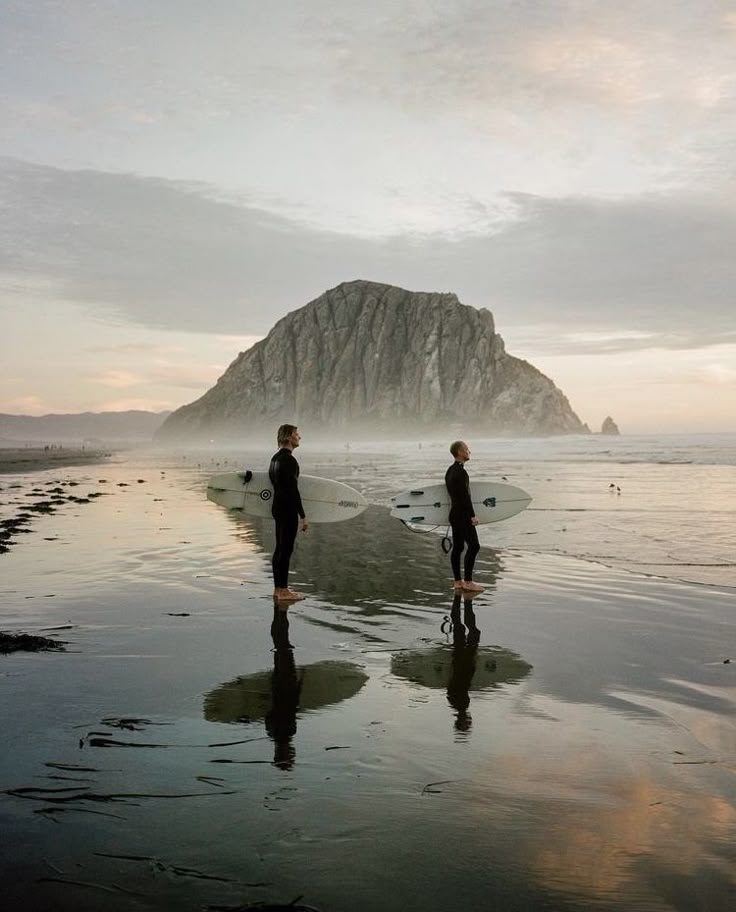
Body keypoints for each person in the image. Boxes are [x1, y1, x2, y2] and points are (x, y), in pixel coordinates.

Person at [269, 424, 309, 601]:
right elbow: (293, 490)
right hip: (288, 509)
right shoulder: (290, 460)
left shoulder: (275, 459)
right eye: (296, 434)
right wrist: (303, 515)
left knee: (279, 549)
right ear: (288, 437)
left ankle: (278, 589)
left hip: (277, 508)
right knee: (286, 550)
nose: (299, 437)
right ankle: (284, 591)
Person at [445, 440, 483, 592]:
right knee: (474, 546)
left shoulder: (449, 471)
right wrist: (472, 516)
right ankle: (468, 582)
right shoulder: (461, 472)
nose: (469, 451)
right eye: (467, 449)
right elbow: (465, 497)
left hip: (454, 514)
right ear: (460, 452)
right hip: (462, 515)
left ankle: (458, 582)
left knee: (459, 547)